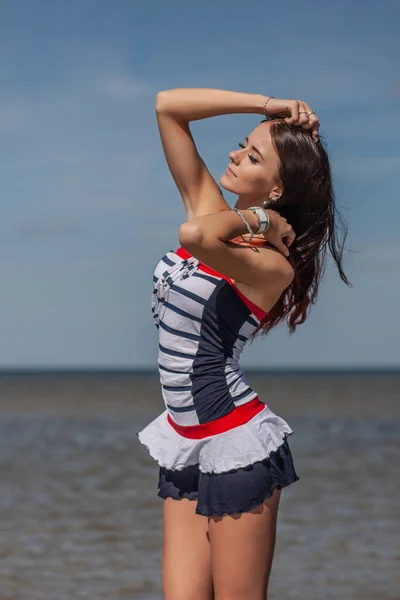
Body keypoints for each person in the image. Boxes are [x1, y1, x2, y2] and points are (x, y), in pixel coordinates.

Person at [137, 88, 350, 600]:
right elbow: (169, 106)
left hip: (237, 444)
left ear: (276, 190)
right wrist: (268, 107)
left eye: (253, 156)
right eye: (242, 144)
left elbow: (196, 236)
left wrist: (262, 223)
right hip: (184, 442)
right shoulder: (215, 210)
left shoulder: (272, 263)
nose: (234, 154)